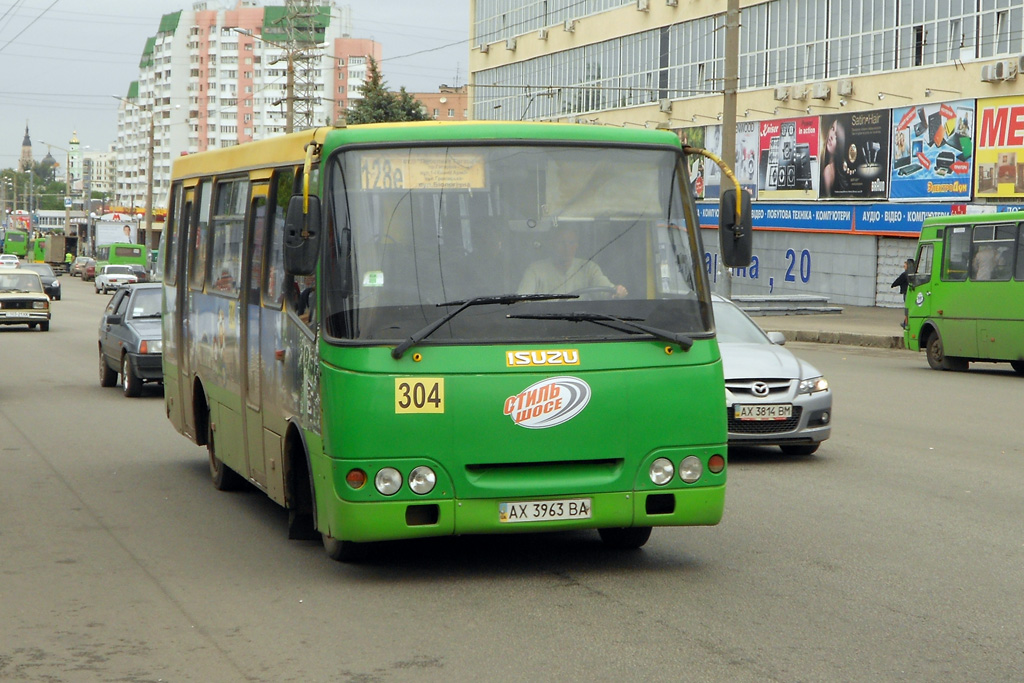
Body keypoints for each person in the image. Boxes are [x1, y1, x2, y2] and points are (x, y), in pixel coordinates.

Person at [517, 225, 627, 298]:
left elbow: (606, 290)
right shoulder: (535, 270)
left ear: (577, 245)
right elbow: (521, 301)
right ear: (552, 244)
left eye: (571, 243)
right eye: (561, 243)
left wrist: (617, 291)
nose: (567, 248)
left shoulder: (589, 268)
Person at [891, 258, 911, 329]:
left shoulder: (905, 274)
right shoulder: (913, 273)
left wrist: (893, 285)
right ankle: (906, 322)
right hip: (911, 292)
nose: (904, 267)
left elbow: (898, 280)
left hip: (906, 292)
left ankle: (906, 323)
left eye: (905, 266)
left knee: (907, 308)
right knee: (909, 308)